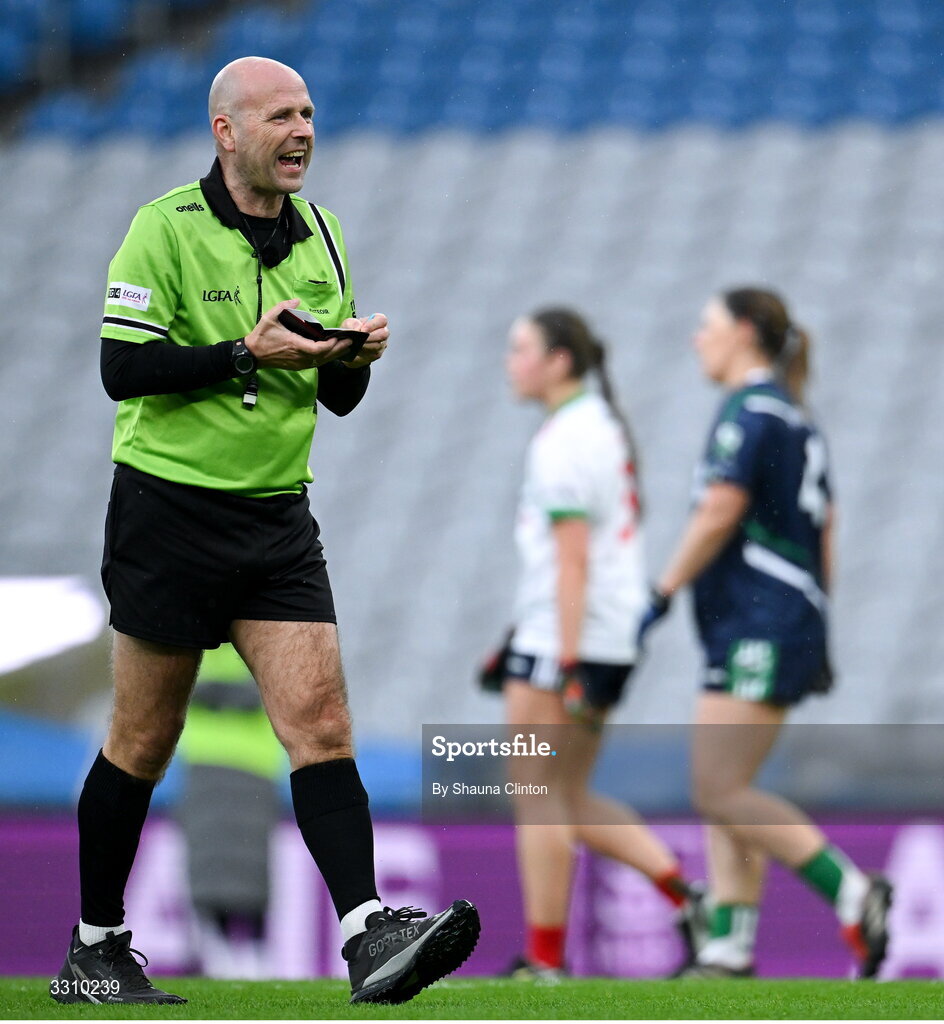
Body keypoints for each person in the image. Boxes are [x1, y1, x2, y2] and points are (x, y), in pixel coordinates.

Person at [49, 56, 479, 1007]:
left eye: (311, 114)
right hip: (169, 512)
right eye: (282, 115)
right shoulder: (162, 228)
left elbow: (340, 396)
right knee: (142, 738)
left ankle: (368, 932)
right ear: (226, 130)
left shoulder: (319, 233)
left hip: (278, 517)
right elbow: (123, 370)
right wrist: (245, 349)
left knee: (321, 726)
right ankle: (95, 947)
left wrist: (349, 356)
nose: (303, 132)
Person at [638, 286, 892, 978]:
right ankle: (729, 943)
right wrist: (822, 621)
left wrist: (658, 594)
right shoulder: (795, 416)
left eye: (707, 324)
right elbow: (827, 524)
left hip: (759, 618)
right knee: (730, 784)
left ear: (744, 332)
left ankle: (852, 892)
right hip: (775, 617)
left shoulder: (748, 410)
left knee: (718, 787)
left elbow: (721, 507)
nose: (697, 338)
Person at [491, 308, 705, 980]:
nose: (510, 360)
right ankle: (686, 898)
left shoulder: (564, 439)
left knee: (536, 792)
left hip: (569, 638)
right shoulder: (599, 426)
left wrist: (564, 656)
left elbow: (573, 561)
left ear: (559, 360)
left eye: (521, 347)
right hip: (601, 634)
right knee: (569, 792)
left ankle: (545, 960)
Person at [176, 643, 284, 980]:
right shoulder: (264, 640)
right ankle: (244, 951)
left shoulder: (193, 640)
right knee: (240, 864)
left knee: (220, 862)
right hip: (245, 766)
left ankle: (235, 949)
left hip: (214, 763)